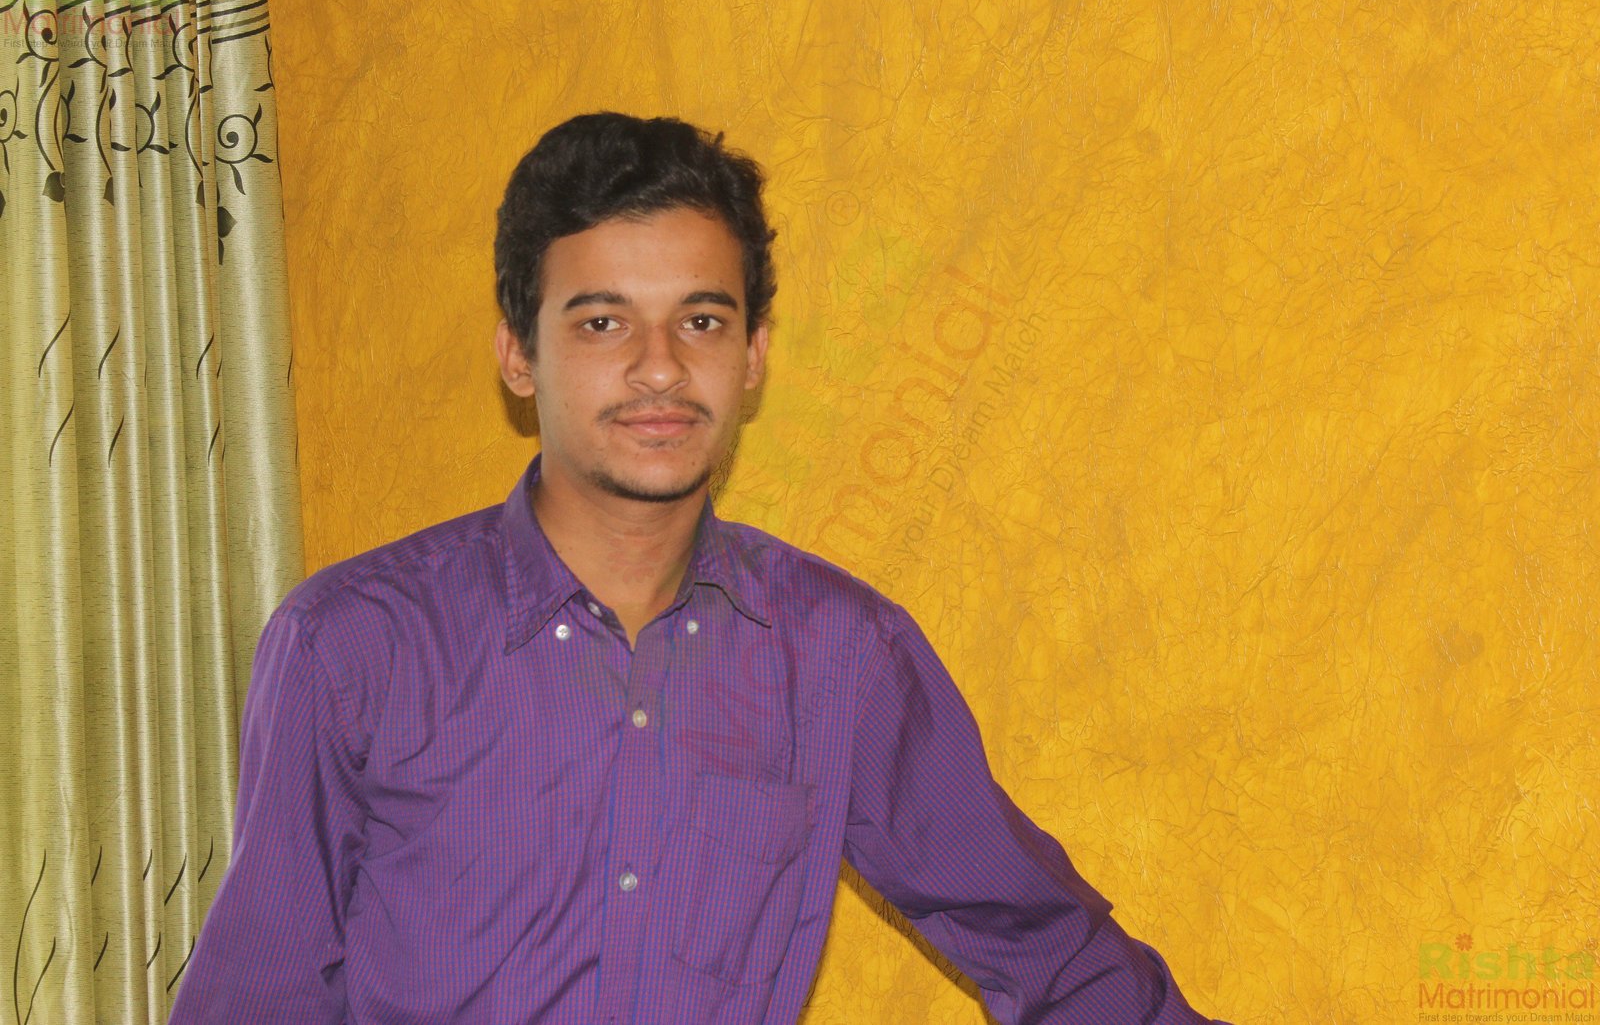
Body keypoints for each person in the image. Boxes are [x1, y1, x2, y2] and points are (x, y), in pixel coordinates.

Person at [170, 111, 1225, 1024]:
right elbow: (258, 999)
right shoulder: (353, 644)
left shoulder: (839, 654)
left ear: (753, 355)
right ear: (518, 354)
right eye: (602, 321)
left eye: (702, 320)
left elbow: (1043, 940)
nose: (660, 367)